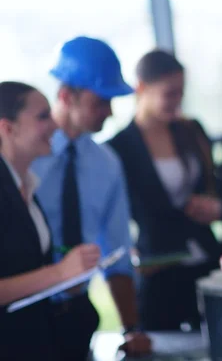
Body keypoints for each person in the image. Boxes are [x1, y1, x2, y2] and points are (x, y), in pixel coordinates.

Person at [32, 37, 151, 359]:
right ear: (65, 96)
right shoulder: (22, 158)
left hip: (76, 314)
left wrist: (131, 328)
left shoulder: (107, 164)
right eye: (100, 101)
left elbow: (117, 252)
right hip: (23, 312)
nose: (109, 112)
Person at [108, 49, 222, 331]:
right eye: (170, 93)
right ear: (141, 89)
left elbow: (215, 183)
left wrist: (213, 206)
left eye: (181, 92)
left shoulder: (191, 129)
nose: (177, 101)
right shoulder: (119, 147)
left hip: (204, 257)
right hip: (158, 265)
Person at [0, 81, 101, 360]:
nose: (56, 126)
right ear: (7, 128)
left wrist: (67, 279)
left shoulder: (27, 186)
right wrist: (59, 273)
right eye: (43, 117)